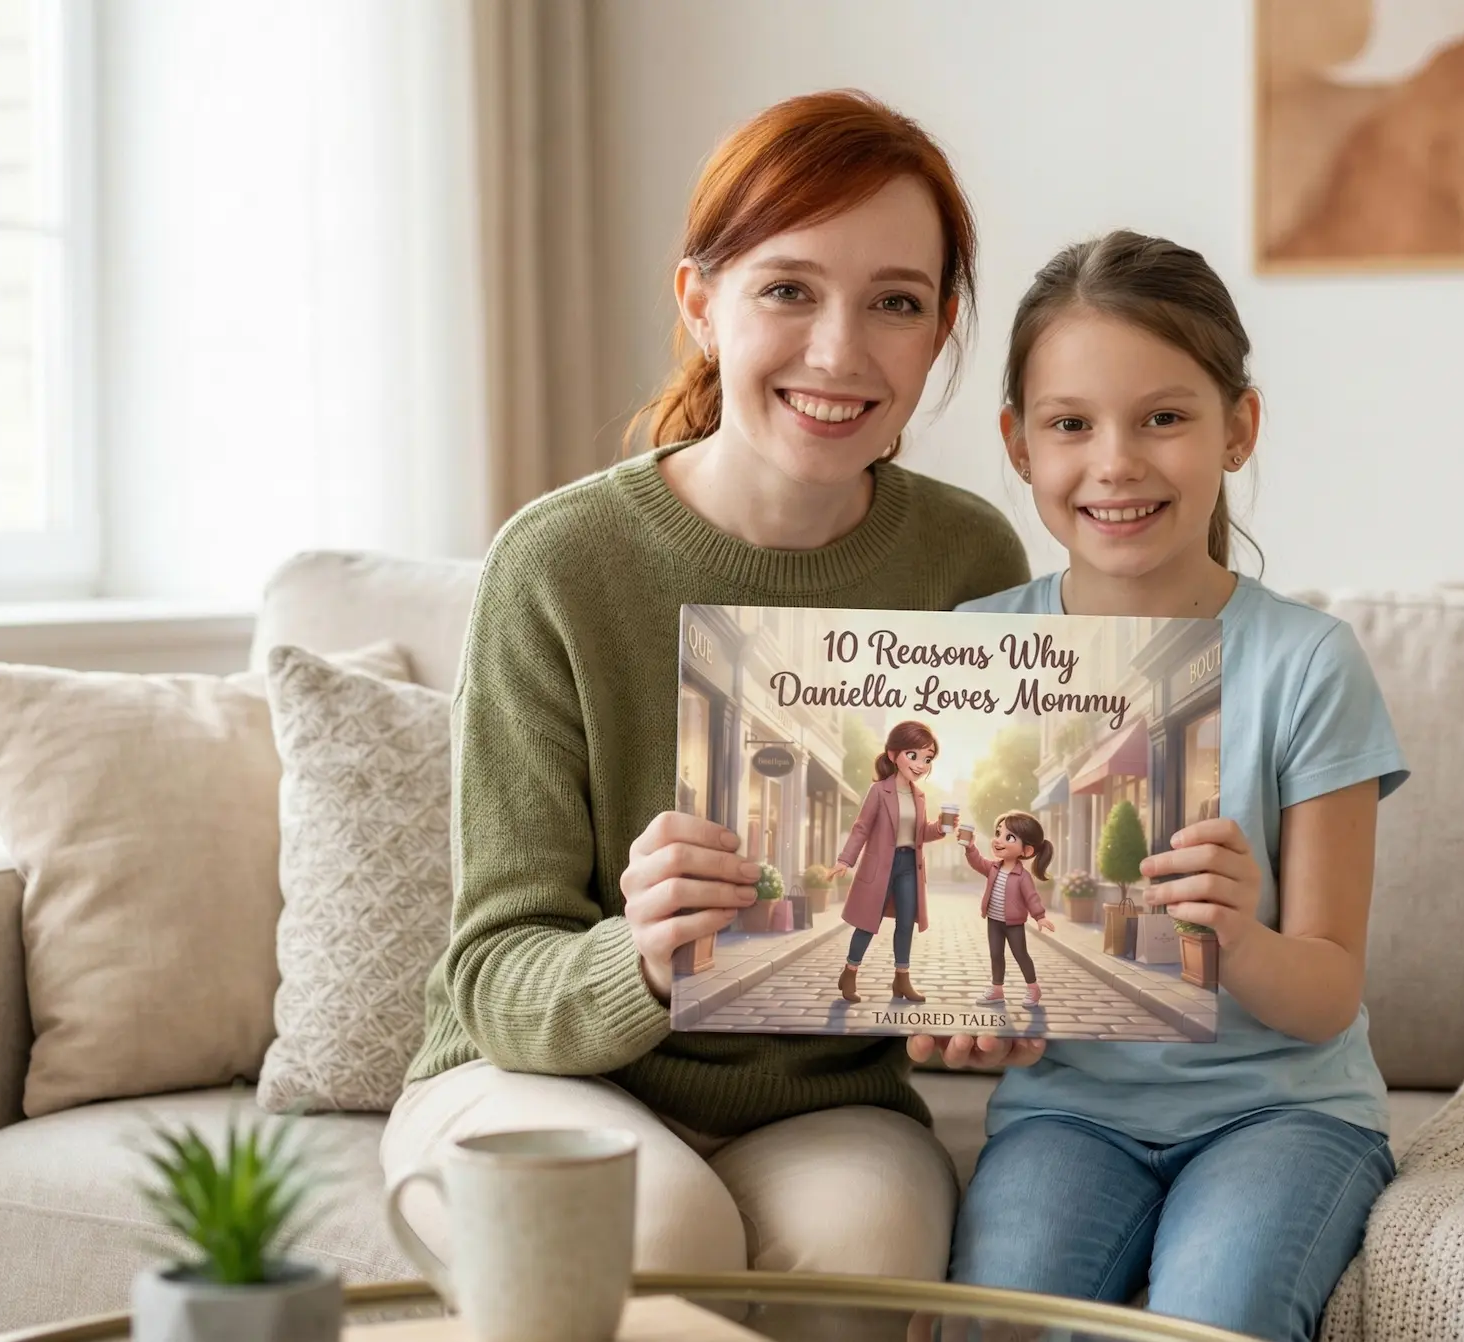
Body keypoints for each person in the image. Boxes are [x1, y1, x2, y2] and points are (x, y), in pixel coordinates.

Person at [381, 89, 1037, 1281]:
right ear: (699, 302)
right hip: (541, 1074)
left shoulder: (970, 560)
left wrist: (981, 1008)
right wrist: (638, 950)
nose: (839, 352)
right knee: (658, 1230)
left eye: (893, 302)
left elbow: (944, 915)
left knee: (872, 1253)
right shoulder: (559, 560)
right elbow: (489, 974)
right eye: (787, 289)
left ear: (939, 328)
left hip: (820, 1102)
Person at [944, 230, 1411, 1342]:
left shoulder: (1306, 663)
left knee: (1216, 1317)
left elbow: (1326, 994)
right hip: (1066, 1112)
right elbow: (967, 967)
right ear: (1016, 444)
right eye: (1069, 424)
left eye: (1162, 416)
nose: (1115, 462)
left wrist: (1235, 938)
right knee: (989, 1319)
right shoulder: (972, 652)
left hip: (1281, 1114)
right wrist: (958, 1019)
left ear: (1236, 429)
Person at [828, 721, 945, 1004]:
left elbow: (919, 834)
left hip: (909, 866)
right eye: (913, 755)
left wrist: (941, 827)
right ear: (894, 755)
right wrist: (845, 860)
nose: (921, 764)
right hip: (880, 866)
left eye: (927, 758)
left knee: (906, 923)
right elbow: (861, 828)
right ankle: (850, 972)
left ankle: (901, 980)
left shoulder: (919, 795)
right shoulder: (879, 791)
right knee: (868, 921)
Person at [962, 812, 1054, 1005]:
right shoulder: (993, 867)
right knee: (996, 954)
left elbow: (1031, 897)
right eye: (998, 833)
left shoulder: (1023, 876)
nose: (998, 840)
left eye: (1009, 837)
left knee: (1020, 954)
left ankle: (1033, 989)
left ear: (1026, 851)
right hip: (994, 921)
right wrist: (970, 847)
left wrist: (1040, 916)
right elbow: (977, 862)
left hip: (1014, 924)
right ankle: (997, 989)